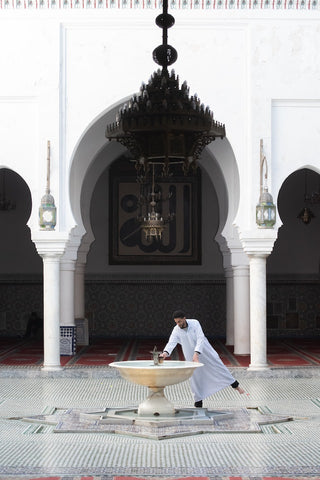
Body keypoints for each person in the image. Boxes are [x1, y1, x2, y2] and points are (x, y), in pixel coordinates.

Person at [160, 310, 246, 408]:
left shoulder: (195, 323)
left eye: (179, 321)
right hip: (190, 355)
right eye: (176, 322)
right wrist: (165, 353)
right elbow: (172, 342)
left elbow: (200, 338)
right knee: (195, 376)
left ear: (184, 318)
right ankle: (198, 401)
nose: (178, 324)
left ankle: (236, 386)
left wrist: (197, 353)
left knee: (218, 366)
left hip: (205, 351)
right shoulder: (176, 330)